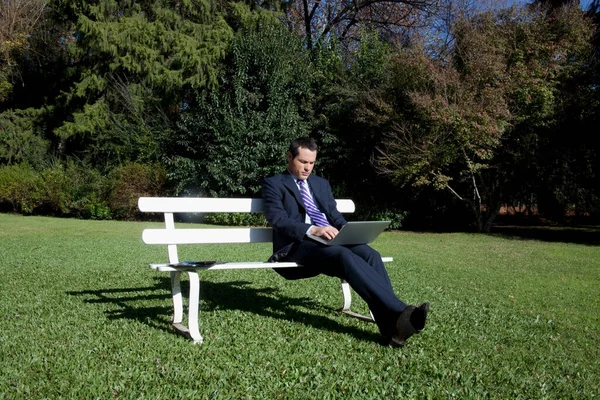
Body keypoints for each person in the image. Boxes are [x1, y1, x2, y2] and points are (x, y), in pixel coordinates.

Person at [262, 137, 429, 347]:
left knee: (371, 255)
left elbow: (334, 215)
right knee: (343, 255)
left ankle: (393, 331)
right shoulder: (274, 183)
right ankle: (401, 312)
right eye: (303, 162)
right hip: (298, 245)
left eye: (312, 163)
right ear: (289, 157)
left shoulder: (320, 184)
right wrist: (313, 229)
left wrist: (347, 230)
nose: (307, 168)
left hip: (332, 240)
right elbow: (278, 220)